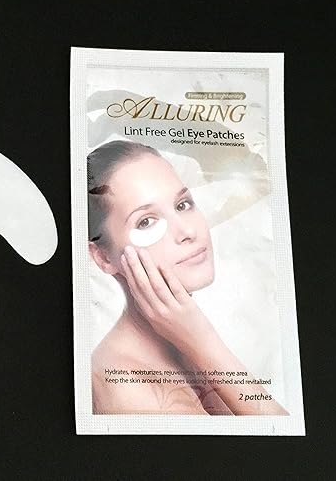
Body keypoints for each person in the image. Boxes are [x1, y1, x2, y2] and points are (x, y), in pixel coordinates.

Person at [88, 140, 287, 415]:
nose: (187, 232)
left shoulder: (187, 343)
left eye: (182, 204)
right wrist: (204, 341)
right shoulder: (129, 389)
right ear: (103, 257)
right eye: (146, 221)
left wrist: (200, 341)